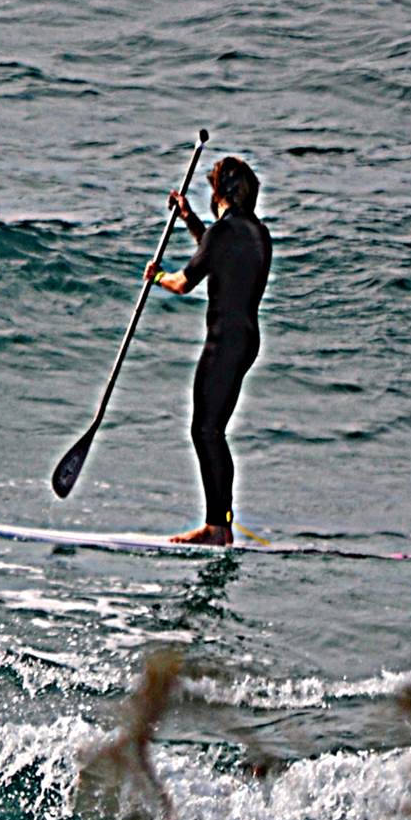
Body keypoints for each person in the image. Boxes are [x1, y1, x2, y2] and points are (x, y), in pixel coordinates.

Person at [147, 154, 272, 547]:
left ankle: (217, 528)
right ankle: (222, 524)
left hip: (224, 340)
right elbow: (216, 251)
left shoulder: (223, 234)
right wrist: (187, 219)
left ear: (218, 192)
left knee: (206, 430)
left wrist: (158, 276)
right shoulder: (257, 233)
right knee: (213, 430)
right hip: (248, 339)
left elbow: (185, 282)